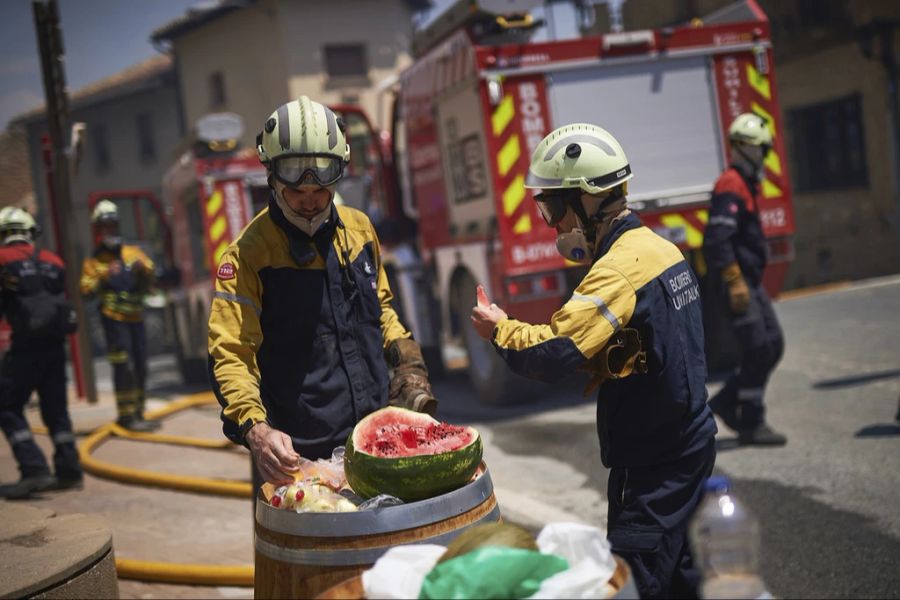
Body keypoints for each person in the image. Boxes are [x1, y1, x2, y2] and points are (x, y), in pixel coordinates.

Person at [470, 123, 717, 599]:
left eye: (554, 208)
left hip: (655, 464)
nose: (554, 224)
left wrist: (500, 329)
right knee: (685, 577)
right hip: (689, 444)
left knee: (627, 584)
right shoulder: (661, 248)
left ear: (588, 201)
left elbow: (555, 351)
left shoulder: (617, 270)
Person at [208, 96, 436, 493]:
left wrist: (409, 365)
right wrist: (257, 431)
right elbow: (231, 353)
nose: (310, 201)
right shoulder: (248, 255)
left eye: (320, 190)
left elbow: (381, 310)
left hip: (378, 440)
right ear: (272, 176)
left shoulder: (360, 230)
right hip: (299, 456)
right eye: (297, 192)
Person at [702, 113, 787, 446]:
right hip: (736, 281)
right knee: (758, 347)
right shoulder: (731, 185)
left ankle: (726, 402)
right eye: (762, 150)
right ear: (745, 148)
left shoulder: (745, 183)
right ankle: (752, 422)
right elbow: (717, 240)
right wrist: (735, 280)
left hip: (749, 281)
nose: (765, 157)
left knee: (772, 344)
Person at [0, 206, 82, 499]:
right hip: (55, 347)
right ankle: (69, 470)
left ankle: (34, 469)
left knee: (7, 405)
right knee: (56, 410)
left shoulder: (3, 260)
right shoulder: (53, 261)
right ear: (30, 233)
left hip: (24, 348)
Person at [80, 199, 160, 432]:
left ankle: (139, 412)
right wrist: (104, 275)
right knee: (123, 367)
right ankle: (126, 416)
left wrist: (143, 269)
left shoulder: (132, 252)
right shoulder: (94, 261)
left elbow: (151, 273)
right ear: (98, 229)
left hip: (136, 319)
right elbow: (85, 290)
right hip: (113, 321)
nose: (110, 230)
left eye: (113, 225)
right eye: (105, 226)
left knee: (141, 366)